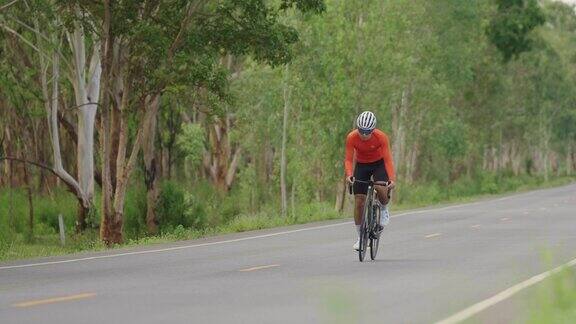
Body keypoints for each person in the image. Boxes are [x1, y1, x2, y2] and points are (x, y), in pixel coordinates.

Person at [344, 111, 396, 251]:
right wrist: (349, 175)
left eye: (368, 132)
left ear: (373, 130)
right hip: (362, 165)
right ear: (357, 128)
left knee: (380, 188)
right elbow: (349, 159)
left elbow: (388, 160)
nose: (364, 135)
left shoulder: (381, 137)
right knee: (359, 202)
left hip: (379, 164)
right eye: (362, 131)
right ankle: (361, 237)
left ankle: (384, 208)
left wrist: (391, 179)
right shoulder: (352, 137)